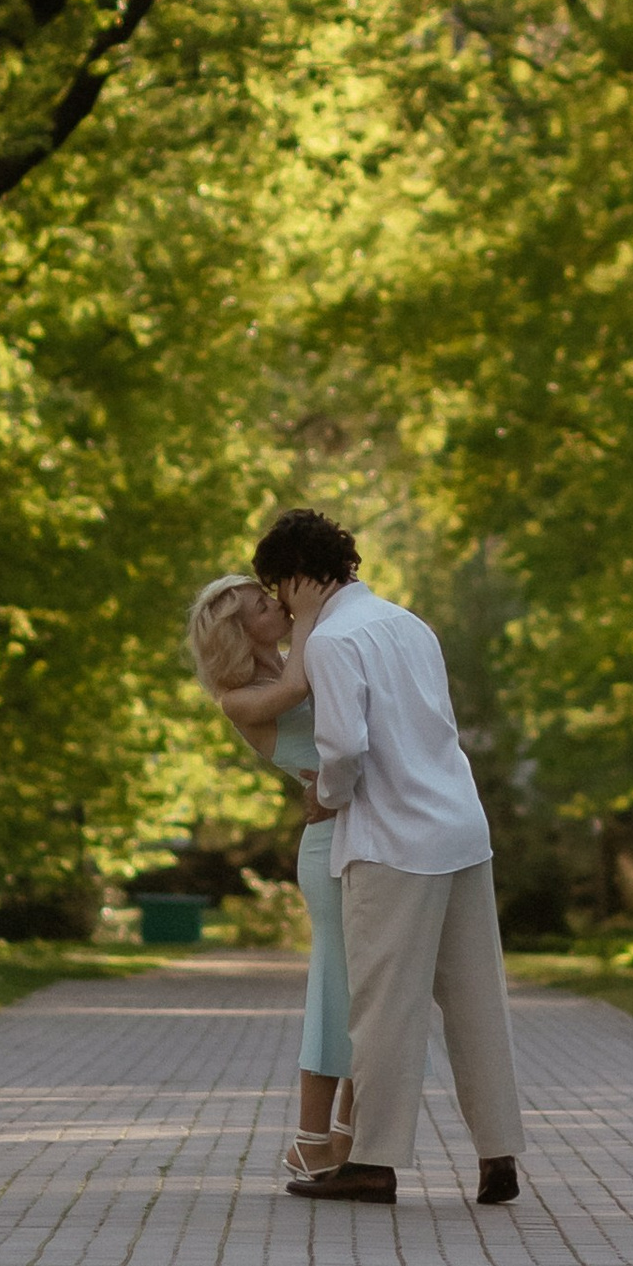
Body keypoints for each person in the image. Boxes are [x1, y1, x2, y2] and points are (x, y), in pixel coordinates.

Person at [248, 507, 522, 1208]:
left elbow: (342, 747)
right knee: (476, 1002)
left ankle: (371, 1163)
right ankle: (498, 1155)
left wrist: (329, 801)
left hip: (394, 842)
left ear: (295, 577)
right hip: (462, 828)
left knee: (383, 1012)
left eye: (275, 586)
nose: (276, 602)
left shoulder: (334, 641)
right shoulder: (409, 624)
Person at [185, 571, 354, 1181]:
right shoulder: (240, 698)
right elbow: (298, 684)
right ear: (239, 630)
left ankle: (347, 1140)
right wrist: (312, 609)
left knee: (372, 992)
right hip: (330, 846)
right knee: (340, 989)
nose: (279, 605)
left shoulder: (296, 656)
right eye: (264, 604)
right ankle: (311, 1140)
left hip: (363, 829)